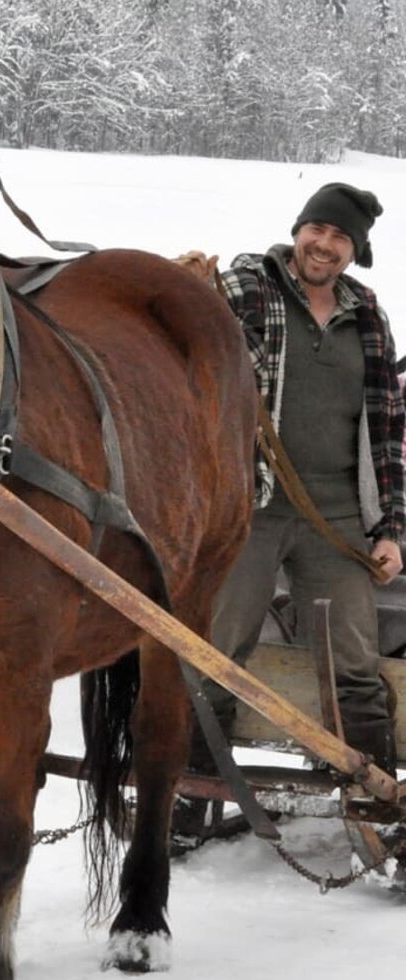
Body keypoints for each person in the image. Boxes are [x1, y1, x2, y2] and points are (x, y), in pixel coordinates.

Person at [194, 183, 404, 796]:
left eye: (341, 237)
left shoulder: (366, 314)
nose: (325, 244)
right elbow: (185, 320)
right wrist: (189, 282)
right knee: (214, 651)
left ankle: (370, 795)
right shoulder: (246, 288)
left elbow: (388, 430)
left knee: (355, 664)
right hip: (249, 507)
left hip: (335, 516)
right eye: (318, 229)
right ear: (298, 230)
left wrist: (390, 528)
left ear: (354, 250)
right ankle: (188, 789)